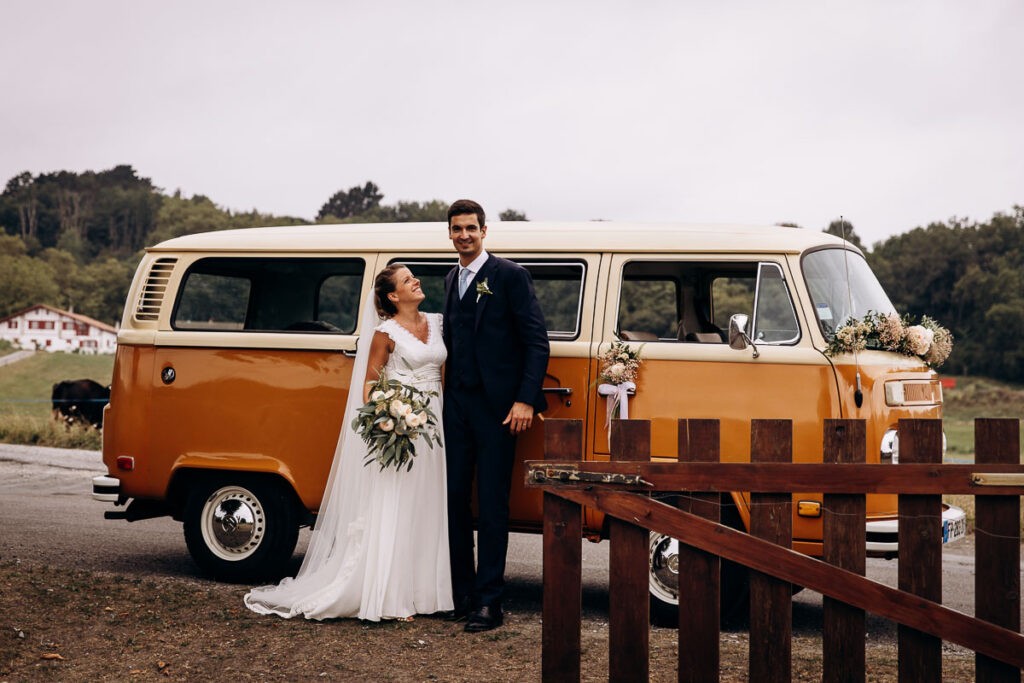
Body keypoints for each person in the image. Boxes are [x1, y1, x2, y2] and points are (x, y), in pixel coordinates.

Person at [244, 264, 453, 621]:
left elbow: (443, 373)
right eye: (407, 280)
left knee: (426, 503)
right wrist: (391, 418)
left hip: (435, 424)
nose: (415, 281)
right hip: (403, 425)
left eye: (413, 277)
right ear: (392, 296)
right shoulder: (385, 333)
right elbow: (370, 386)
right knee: (396, 502)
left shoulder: (437, 321)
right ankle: (388, 593)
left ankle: (424, 594)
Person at [442, 199, 550, 632]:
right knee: (452, 501)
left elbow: (536, 341)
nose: (464, 235)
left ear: (485, 232)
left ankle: (490, 602)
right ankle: (460, 594)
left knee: (491, 504)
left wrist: (525, 400)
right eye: (456, 229)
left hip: (499, 411)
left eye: (471, 228)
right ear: (449, 234)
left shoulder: (510, 275)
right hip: (456, 406)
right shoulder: (451, 278)